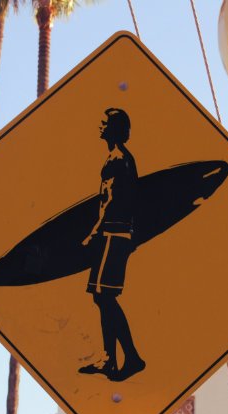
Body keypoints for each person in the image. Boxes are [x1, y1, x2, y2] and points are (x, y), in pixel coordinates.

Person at [78, 108, 145, 382]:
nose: (100, 127)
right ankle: (112, 359)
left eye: (104, 123)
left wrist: (94, 233)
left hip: (113, 234)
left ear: (115, 129)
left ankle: (129, 357)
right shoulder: (119, 158)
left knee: (105, 296)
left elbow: (111, 201)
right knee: (101, 297)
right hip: (117, 234)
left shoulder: (118, 160)